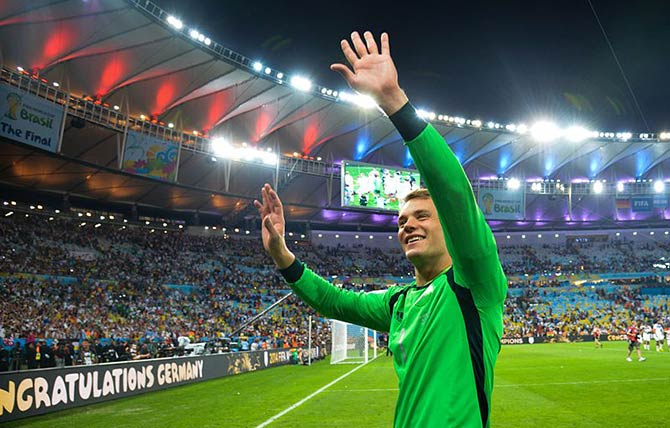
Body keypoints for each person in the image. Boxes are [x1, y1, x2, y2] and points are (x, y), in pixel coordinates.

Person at [255, 31, 507, 427]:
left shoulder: (474, 283)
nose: (408, 225)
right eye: (402, 220)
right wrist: (282, 255)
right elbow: (333, 302)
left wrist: (393, 101)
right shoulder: (398, 303)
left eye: (422, 216)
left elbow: (455, 193)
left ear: (450, 228)